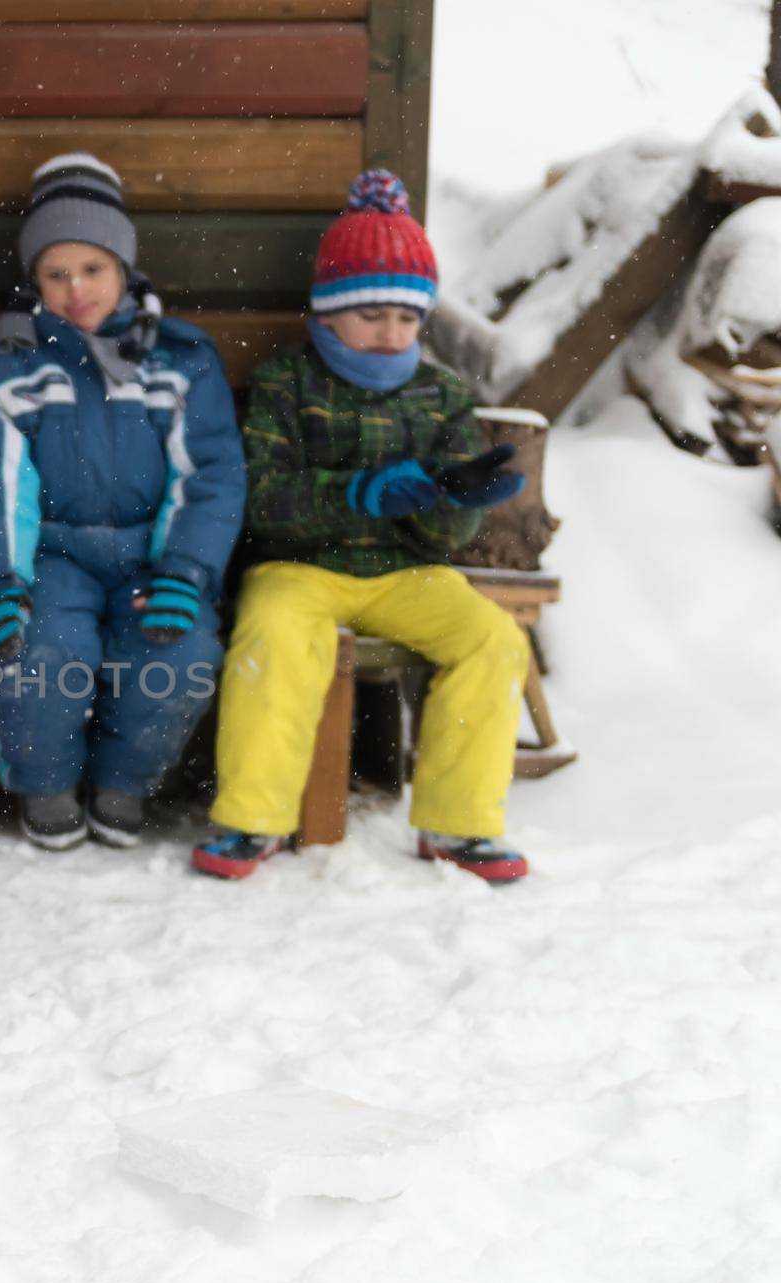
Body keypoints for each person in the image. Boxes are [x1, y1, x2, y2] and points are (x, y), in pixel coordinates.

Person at [193, 169, 532, 884]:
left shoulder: (442, 395)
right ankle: (252, 817)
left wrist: (457, 499)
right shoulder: (288, 383)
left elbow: (445, 540)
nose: (391, 333)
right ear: (328, 313)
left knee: (493, 639)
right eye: (372, 315)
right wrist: (361, 493)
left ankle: (458, 823)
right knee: (275, 637)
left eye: (408, 318)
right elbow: (264, 501)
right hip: (301, 570)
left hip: (406, 574)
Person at [0, 154, 245, 850]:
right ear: (35, 280)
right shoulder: (6, 369)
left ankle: (126, 781)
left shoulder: (179, 362)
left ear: (124, 269)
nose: (76, 288)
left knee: (177, 649)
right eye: (56, 273)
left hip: (153, 554)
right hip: (53, 555)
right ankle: (45, 782)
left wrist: (184, 572)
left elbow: (208, 474)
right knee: (36, 648)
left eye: (93, 268)